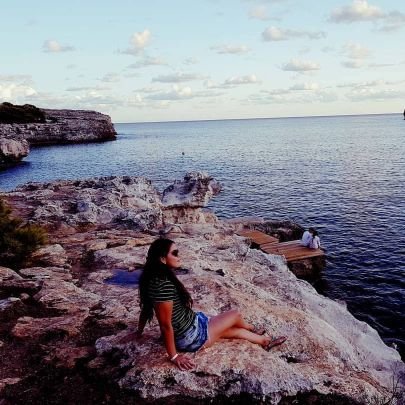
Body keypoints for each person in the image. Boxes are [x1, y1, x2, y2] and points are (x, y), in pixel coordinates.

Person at [135, 238, 287, 370]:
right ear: (162, 259)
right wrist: (174, 357)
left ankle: (264, 341)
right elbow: (165, 325)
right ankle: (252, 328)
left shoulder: (152, 278)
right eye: (174, 253)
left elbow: (146, 308)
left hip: (190, 327)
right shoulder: (163, 285)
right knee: (236, 315)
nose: (178, 257)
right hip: (190, 336)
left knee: (233, 331)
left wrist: (138, 332)